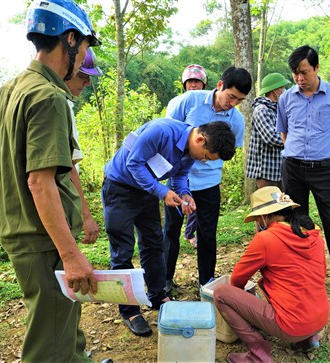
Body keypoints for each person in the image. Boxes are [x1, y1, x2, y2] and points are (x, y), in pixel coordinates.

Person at [0, 0, 108, 361]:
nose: (83, 60)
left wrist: (9, 184)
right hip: (42, 240)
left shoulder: (13, 87)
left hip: (21, 229)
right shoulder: (49, 97)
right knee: (49, 344)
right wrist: (71, 255)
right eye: (86, 49)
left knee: (61, 318)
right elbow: (40, 183)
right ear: (71, 40)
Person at [103, 119, 235, 337]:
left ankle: (158, 296)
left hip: (148, 192)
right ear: (200, 139)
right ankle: (130, 311)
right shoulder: (161, 132)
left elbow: (180, 175)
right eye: (204, 156)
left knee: (154, 245)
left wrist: (184, 194)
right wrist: (162, 192)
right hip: (120, 189)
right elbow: (134, 163)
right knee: (123, 251)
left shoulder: (190, 150)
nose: (201, 161)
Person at [277, 45, 330, 304]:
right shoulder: (286, 98)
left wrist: (327, 154)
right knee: (293, 222)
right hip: (292, 168)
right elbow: (284, 132)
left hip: (323, 170)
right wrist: (295, 152)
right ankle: (297, 277)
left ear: (316, 68)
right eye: (295, 73)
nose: (300, 78)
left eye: (304, 72)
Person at [214, 187, 329, 363]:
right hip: (320, 317)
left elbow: (237, 279)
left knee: (221, 293)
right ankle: (309, 338)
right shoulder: (313, 233)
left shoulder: (266, 239)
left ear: (263, 216)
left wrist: (241, 304)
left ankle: (258, 355)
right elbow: (319, 273)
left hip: (292, 326)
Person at [163, 67, 252, 292]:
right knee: (171, 231)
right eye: (231, 96)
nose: (232, 104)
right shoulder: (189, 101)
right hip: (178, 180)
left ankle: (206, 282)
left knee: (207, 233)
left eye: (239, 100)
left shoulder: (236, 119)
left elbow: (229, 152)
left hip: (210, 183)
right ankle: (165, 280)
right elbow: (169, 133)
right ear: (219, 85)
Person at [65, 48, 103, 246]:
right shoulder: (56, 102)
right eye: (82, 76)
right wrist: (86, 215)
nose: (87, 83)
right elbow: (67, 165)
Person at [178, 64, 209, 249]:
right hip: (181, 166)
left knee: (196, 206)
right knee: (180, 203)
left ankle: (190, 233)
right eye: (190, 82)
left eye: (197, 81)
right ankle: (185, 234)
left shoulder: (206, 107)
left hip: (203, 169)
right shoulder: (180, 104)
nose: (193, 85)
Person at [246, 73, 290, 189]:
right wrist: (295, 139)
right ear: (275, 90)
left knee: (284, 205)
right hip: (266, 172)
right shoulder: (261, 110)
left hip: (280, 169)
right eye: (282, 88)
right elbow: (271, 137)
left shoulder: (278, 108)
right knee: (270, 205)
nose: (284, 90)